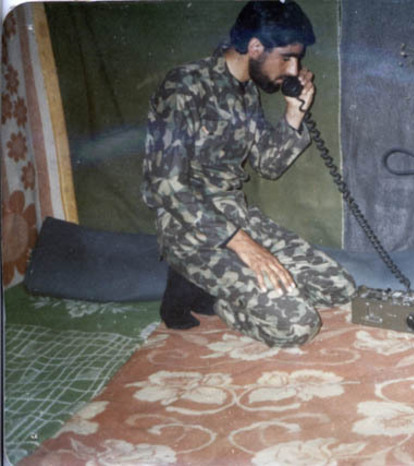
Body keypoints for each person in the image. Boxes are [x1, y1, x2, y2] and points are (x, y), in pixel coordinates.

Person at [141, 0, 355, 347]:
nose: (294, 69)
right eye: (286, 58)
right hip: (187, 227)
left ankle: (210, 287)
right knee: (297, 325)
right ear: (255, 47)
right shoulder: (184, 86)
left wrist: (295, 113)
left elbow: (268, 165)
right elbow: (165, 186)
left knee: (338, 288)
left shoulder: (246, 91)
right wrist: (245, 246)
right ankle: (209, 294)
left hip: (236, 216)